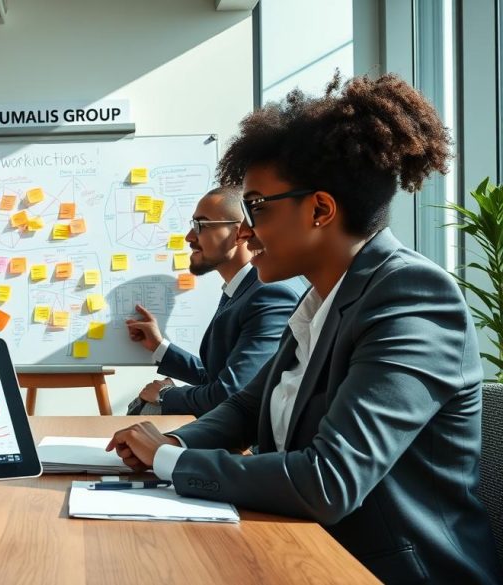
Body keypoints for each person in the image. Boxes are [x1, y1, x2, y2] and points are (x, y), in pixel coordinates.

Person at [107, 73, 502, 583]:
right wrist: (175, 447)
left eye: (256, 207)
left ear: (320, 209)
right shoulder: (322, 296)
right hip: (306, 549)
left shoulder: (411, 299)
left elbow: (330, 479)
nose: (245, 231)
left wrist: (169, 463)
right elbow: (249, 407)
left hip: (388, 570)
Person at [125, 186, 304, 416]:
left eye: (201, 225)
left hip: (254, 443)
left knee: (146, 412)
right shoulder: (242, 289)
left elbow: (230, 392)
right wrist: (160, 347)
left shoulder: (271, 295)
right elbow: (218, 376)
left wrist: (165, 395)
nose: (189, 237)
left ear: (240, 233)